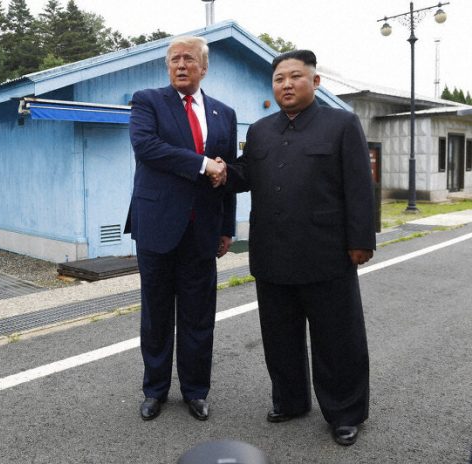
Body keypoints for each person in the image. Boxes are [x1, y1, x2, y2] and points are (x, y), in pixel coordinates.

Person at [224, 50, 375, 446]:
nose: (286, 85)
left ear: (315, 82)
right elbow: (244, 174)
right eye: (279, 79)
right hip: (272, 254)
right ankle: (290, 401)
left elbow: (360, 186)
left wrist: (360, 241)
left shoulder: (341, 124)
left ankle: (345, 413)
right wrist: (216, 170)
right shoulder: (259, 131)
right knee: (279, 337)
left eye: (295, 76)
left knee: (338, 339)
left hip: (326, 253)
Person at [125, 35, 237, 422]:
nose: (181, 65)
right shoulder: (147, 101)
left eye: (189, 59)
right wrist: (203, 164)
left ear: (204, 68)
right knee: (156, 315)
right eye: (174, 59)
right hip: (157, 225)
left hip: (203, 230)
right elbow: (146, 147)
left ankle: (196, 391)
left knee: (198, 315)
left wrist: (227, 227)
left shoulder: (224, 113)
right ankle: (154, 390)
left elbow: (230, 175)